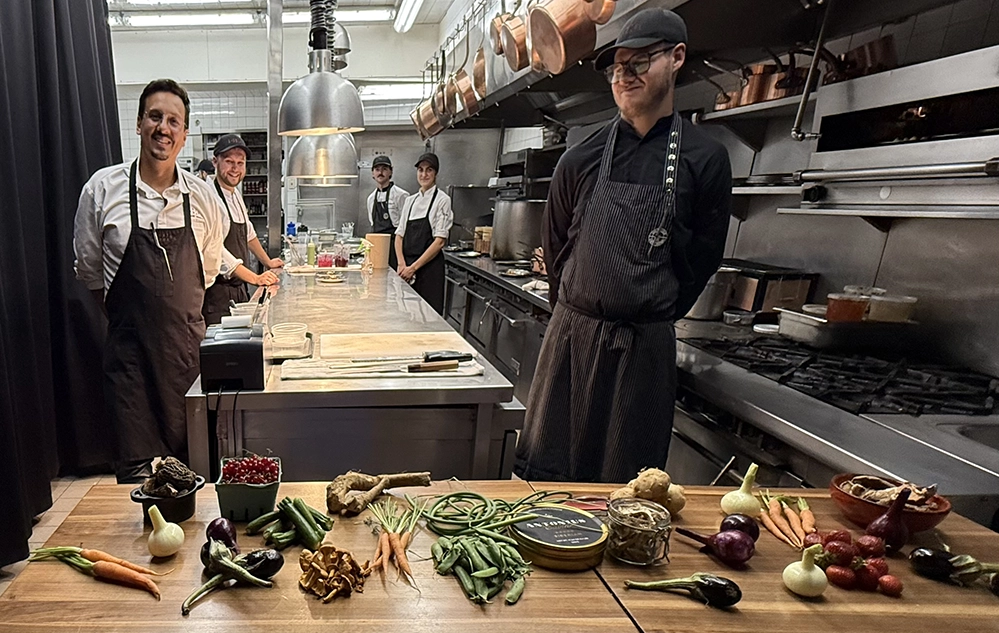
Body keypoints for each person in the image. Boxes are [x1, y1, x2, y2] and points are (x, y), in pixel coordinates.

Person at [513, 8, 732, 483]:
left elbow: (702, 259)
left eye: (639, 63)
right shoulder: (579, 159)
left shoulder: (705, 159)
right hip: (572, 339)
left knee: (627, 491)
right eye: (617, 67)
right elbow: (555, 250)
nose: (625, 76)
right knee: (550, 481)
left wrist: (648, 312)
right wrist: (580, 314)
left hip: (642, 352)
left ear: (676, 58)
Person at [73, 78, 228, 483]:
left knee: (194, 475)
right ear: (139, 123)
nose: (163, 127)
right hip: (130, 367)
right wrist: (132, 322)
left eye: (173, 121)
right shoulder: (101, 190)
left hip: (186, 363)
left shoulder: (205, 199)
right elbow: (91, 274)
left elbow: (207, 273)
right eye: (155, 117)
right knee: (139, 490)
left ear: (184, 133)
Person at [201, 133, 283, 325]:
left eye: (240, 163)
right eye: (229, 162)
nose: (235, 169)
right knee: (224, 353)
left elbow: (248, 232)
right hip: (217, 295)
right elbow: (216, 251)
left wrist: (268, 262)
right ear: (215, 161)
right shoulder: (207, 197)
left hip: (238, 290)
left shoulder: (235, 194)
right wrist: (254, 277)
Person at [395, 152, 453, 314]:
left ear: (435, 174)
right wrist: (401, 265)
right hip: (406, 268)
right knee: (406, 314)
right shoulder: (410, 200)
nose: (424, 174)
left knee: (429, 318)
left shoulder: (442, 200)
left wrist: (413, 268)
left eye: (429, 170)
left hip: (429, 270)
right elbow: (399, 235)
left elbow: (439, 241)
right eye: (420, 170)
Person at [366, 155, 409, 271]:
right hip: (377, 248)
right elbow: (372, 224)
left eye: (384, 169)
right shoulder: (370, 199)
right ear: (372, 173)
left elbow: (406, 227)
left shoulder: (402, 195)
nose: (380, 172)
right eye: (377, 169)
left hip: (395, 249)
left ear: (391, 172)